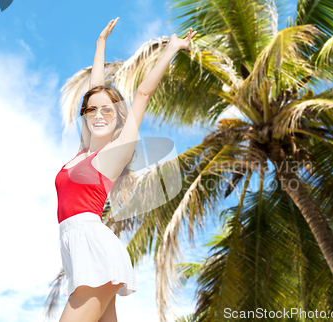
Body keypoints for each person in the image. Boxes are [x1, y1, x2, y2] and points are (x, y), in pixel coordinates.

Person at [55, 17, 197, 322]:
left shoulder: (113, 155)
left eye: (108, 110)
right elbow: (94, 91)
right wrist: (100, 44)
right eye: (92, 110)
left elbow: (142, 95)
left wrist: (172, 47)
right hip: (77, 250)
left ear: (119, 119)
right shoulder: (82, 153)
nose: (99, 114)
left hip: (95, 249)